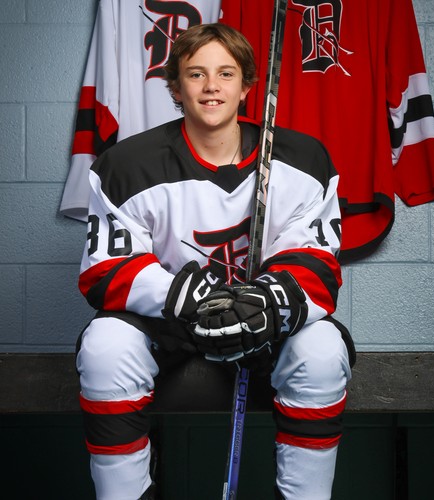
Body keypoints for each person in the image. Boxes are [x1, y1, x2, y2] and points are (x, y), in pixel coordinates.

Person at [76, 23, 354, 500]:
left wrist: (265, 302)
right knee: (105, 347)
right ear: (175, 88)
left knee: (323, 350)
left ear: (246, 87)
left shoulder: (305, 160)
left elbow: (317, 263)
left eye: (226, 74)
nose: (211, 87)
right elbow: (105, 268)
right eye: (196, 74)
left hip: (264, 325)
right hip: (168, 325)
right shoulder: (126, 165)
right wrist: (185, 298)